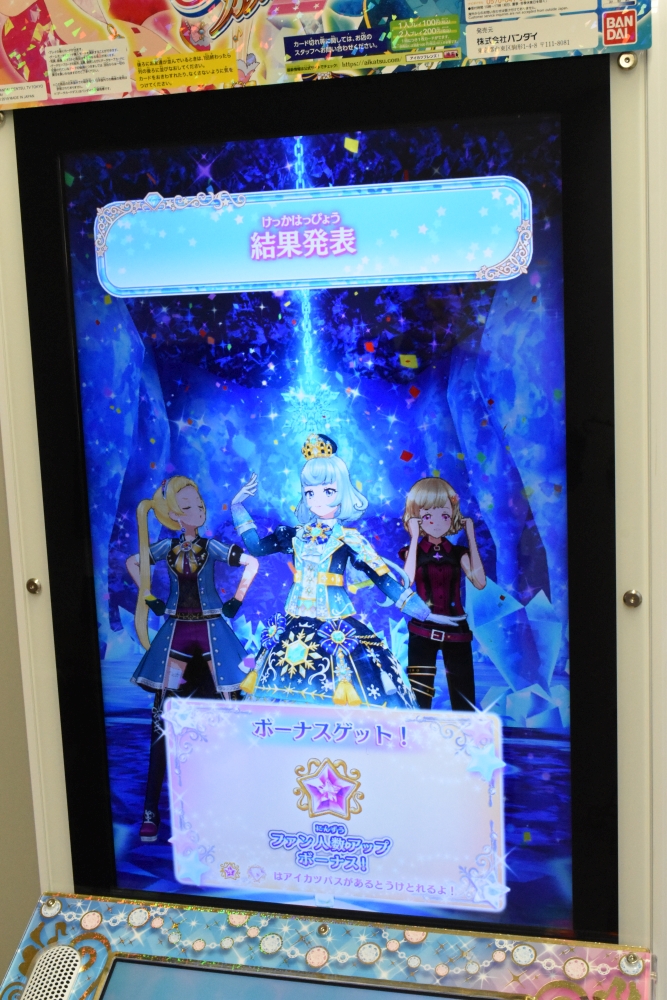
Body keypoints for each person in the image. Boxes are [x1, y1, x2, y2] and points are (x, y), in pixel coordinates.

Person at [229, 433, 430, 708]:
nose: (317, 500)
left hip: (336, 623)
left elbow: (381, 578)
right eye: (309, 493)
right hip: (295, 623)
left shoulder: (349, 539)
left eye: (328, 491)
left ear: (342, 492)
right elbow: (256, 546)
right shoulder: (294, 535)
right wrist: (237, 507)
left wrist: (421, 611)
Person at [126, 475, 258, 842]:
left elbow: (251, 564)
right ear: (173, 514)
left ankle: (238, 805)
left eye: (199, 504)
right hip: (177, 643)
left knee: (228, 721)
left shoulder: (211, 546)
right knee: (162, 724)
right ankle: (151, 810)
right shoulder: (166, 547)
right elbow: (134, 562)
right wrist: (149, 597)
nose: (197, 511)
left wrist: (235, 601)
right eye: (187, 507)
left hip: (214, 639)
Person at [400, 477, 486, 711]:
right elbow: (406, 582)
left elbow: (479, 582)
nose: (437, 523)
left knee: (463, 696)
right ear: (416, 516)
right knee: (419, 696)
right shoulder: (412, 551)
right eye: (428, 516)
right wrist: (414, 539)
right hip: (422, 629)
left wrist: (471, 536)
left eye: (444, 516)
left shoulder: (458, 553)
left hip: (457, 630)